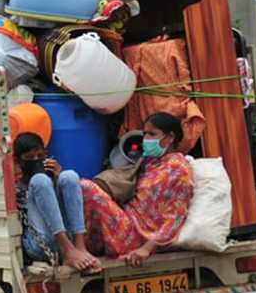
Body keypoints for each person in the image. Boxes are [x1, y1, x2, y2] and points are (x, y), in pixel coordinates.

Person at [82, 112, 194, 267]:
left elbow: (175, 217)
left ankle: (79, 248)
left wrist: (147, 249)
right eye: (145, 134)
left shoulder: (178, 168)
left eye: (152, 134)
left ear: (170, 137)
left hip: (136, 238)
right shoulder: (150, 163)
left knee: (85, 187)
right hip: (125, 224)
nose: (146, 139)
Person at [14, 132, 101, 273]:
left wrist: (57, 176)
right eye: (30, 158)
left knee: (70, 176)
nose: (36, 160)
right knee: (39, 180)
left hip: (69, 238)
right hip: (41, 245)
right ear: (19, 162)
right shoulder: (17, 187)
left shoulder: (54, 177)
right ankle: (68, 250)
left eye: (40, 157)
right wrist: (38, 183)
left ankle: (80, 247)